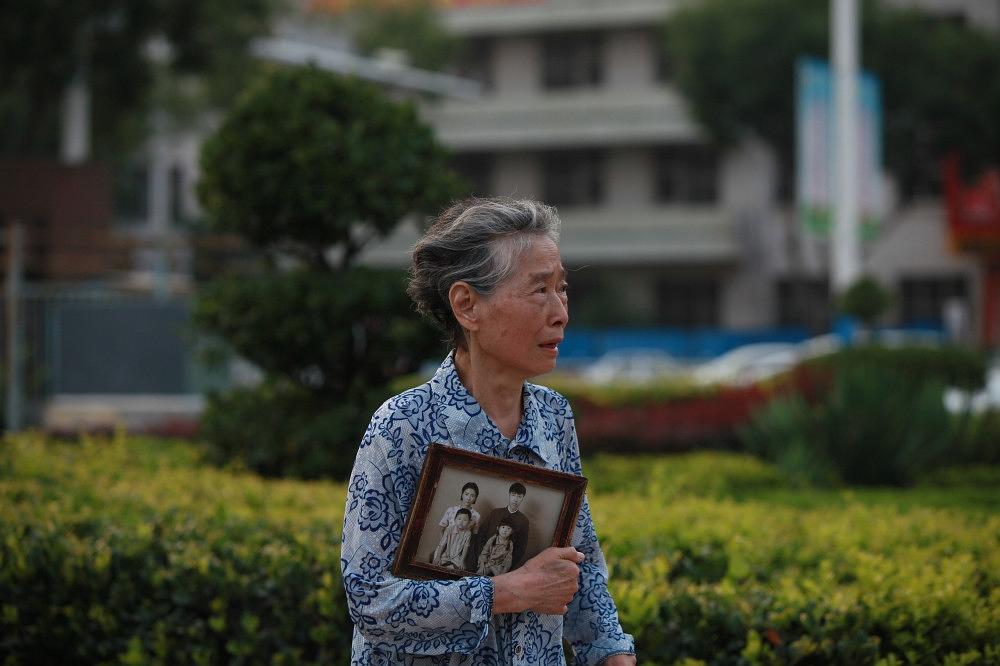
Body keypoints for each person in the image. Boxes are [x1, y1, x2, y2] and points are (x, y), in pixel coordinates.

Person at [341, 197, 636, 665]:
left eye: (562, 290)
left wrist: (612, 654)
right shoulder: (403, 425)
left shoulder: (554, 417)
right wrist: (506, 591)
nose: (560, 312)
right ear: (466, 305)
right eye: (539, 291)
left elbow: (580, 565)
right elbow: (369, 599)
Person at [473, 483, 530, 571]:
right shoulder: (495, 513)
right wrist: (482, 557)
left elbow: (521, 548)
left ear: (522, 498)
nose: (515, 499)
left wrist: (506, 566)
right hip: (484, 561)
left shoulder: (524, 521)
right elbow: (481, 534)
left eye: (519, 496)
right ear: (509, 495)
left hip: (502, 568)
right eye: (513, 495)